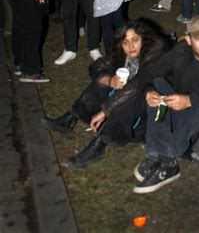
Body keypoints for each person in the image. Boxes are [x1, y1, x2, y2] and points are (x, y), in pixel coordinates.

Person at [133, 15, 199, 194]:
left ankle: (166, 159)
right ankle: (159, 155)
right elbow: (151, 71)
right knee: (157, 85)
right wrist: (149, 91)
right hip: (180, 108)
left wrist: (189, 100)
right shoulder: (181, 50)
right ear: (188, 39)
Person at [42, 19, 168, 168]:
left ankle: (99, 144)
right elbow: (96, 66)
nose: (131, 46)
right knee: (102, 80)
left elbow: (136, 85)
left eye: (135, 40)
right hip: (128, 99)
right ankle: (70, 119)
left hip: (150, 114)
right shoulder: (123, 53)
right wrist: (108, 81)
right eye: (125, 42)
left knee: (132, 96)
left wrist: (105, 110)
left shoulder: (155, 54)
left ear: (144, 39)